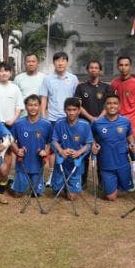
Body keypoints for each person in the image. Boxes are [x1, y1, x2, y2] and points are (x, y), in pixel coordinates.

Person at [39, 52, 79, 186]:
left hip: (69, 119)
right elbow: (44, 98)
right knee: (52, 149)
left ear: (67, 62)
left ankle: (67, 175)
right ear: (53, 63)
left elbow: (76, 100)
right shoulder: (47, 79)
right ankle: (51, 176)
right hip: (52, 118)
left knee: (68, 147)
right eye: (57, 60)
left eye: (63, 60)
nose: (60, 63)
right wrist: (44, 116)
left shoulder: (73, 78)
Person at [91, 94, 135, 201]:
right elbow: (91, 136)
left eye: (115, 103)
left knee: (128, 188)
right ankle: (108, 184)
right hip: (106, 163)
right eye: (109, 103)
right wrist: (93, 144)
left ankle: (118, 181)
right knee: (111, 197)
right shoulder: (97, 123)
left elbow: (129, 135)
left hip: (122, 161)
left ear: (119, 106)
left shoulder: (126, 121)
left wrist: (132, 143)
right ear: (104, 106)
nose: (112, 106)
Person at [50, 98, 93, 200]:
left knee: (72, 197)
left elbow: (89, 144)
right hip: (62, 162)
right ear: (65, 110)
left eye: (74, 110)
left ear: (79, 110)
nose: (71, 113)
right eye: (69, 110)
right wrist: (61, 150)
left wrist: (79, 152)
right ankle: (61, 185)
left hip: (75, 163)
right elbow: (53, 141)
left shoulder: (85, 125)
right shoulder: (59, 123)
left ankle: (70, 186)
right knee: (56, 191)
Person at [8, 95, 52, 198]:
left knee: (37, 194)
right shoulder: (18, 123)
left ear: (40, 106)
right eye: (30, 105)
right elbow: (11, 140)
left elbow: (50, 142)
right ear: (26, 107)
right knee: (18, 194)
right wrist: (17, 150)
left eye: (36, 105)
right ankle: (10, 183)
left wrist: (45, 152)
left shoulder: (47, 124)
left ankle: (35, 185)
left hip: (38, 164)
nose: (33, 108)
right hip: (23, 164)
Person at [110, 56, 135, 142]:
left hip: (132, 124)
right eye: (121, 65)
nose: (123, 67)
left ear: (130, 67)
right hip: (116, 122)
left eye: (126, 65)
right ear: (117, 66)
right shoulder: (114, 83)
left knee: (133, 151)